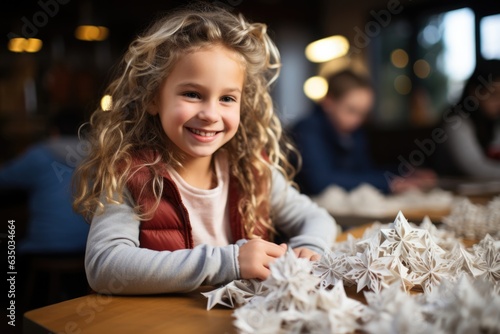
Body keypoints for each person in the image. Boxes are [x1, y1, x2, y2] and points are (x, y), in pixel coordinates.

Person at [73, 5, 337, 295]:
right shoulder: (129, 174)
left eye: (226, 98)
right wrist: (230, 261)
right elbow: (104, 266)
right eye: (192, 94)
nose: (210, 114)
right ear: (152, 98)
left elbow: (317, 218)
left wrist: (309, 248)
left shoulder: (251, 169)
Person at [292, 70, 436, 196]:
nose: (357, 120)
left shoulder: (355, 133)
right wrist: (388, 182)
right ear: (328, 102)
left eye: (363, 113)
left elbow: (364, 171)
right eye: (351, 110)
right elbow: (321, 182)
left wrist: (403, 173)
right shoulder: (307, 130)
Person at [0, 107, 89, 254]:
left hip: (46, 244)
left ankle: (13, 277)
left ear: (54, 131)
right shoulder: (97, 155)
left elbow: (4, 178)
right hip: (87, 245)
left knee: (8, 244)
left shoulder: (39, 154)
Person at [435, 60, 500, 178]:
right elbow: (476, 168)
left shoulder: (493, 122)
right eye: (494, 93)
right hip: (448, 193)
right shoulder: (456, 123)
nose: (499, 102)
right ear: (475, 92)